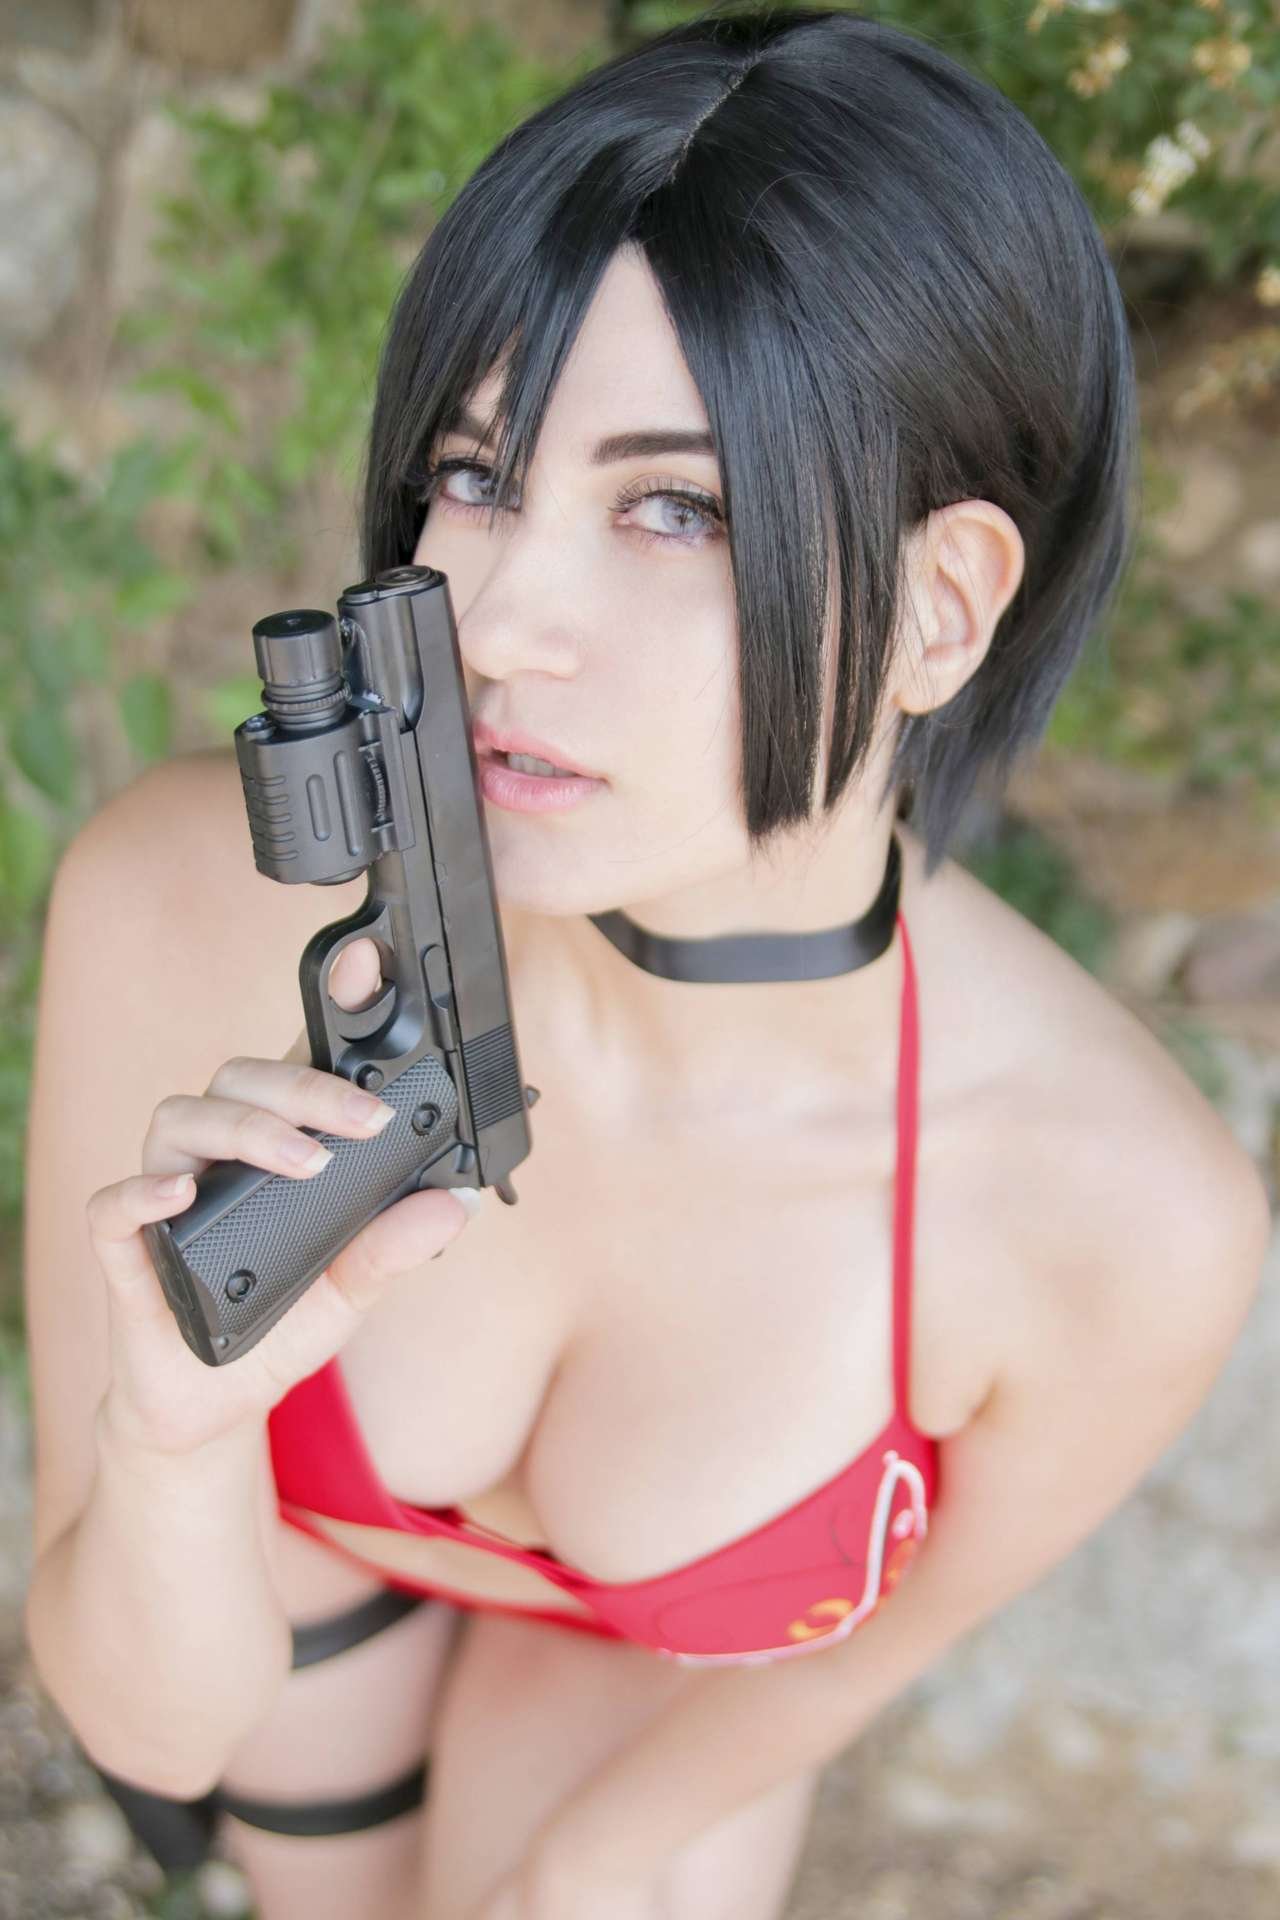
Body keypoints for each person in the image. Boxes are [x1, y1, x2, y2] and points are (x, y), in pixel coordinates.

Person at [23, 8, 1270, 1920]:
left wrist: (584, 1867)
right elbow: (149, 1726)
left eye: (675, 507)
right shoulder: (185, 909)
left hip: (654, 1677)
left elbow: (874, 1647)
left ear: (941, 607)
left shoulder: (1118, 1215)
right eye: (474, 475)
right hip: (302, 1594)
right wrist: (171, 1440)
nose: (501, 619)